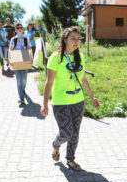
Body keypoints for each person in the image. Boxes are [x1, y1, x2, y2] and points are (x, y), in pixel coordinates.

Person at [40, 26, 99, 172]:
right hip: (61, 102)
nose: (76, 42)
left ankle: (70, 159)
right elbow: (49, 82)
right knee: (67, 132)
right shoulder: (55, 58)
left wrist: (92, 96)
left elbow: (83, 79)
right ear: (65, 39)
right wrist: (44, 104)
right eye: (73, 38)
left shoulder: (81, 57)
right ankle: (56, 144)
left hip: (78, 101)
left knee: (75, 132)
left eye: (78, 39)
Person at [9, 23, 33, 105]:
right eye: (17, 28)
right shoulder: (13, 39)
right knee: (19, 80)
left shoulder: (26, 39)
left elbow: (30, 49)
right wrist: (10, 61)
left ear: (23, 29)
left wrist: (32, 58)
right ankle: (21, 98)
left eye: (21, 27)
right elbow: (10, 50)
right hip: (16, 59)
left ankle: (23, 90)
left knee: (24, 79)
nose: (19, 29)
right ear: (15, 30)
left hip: (25, 58)